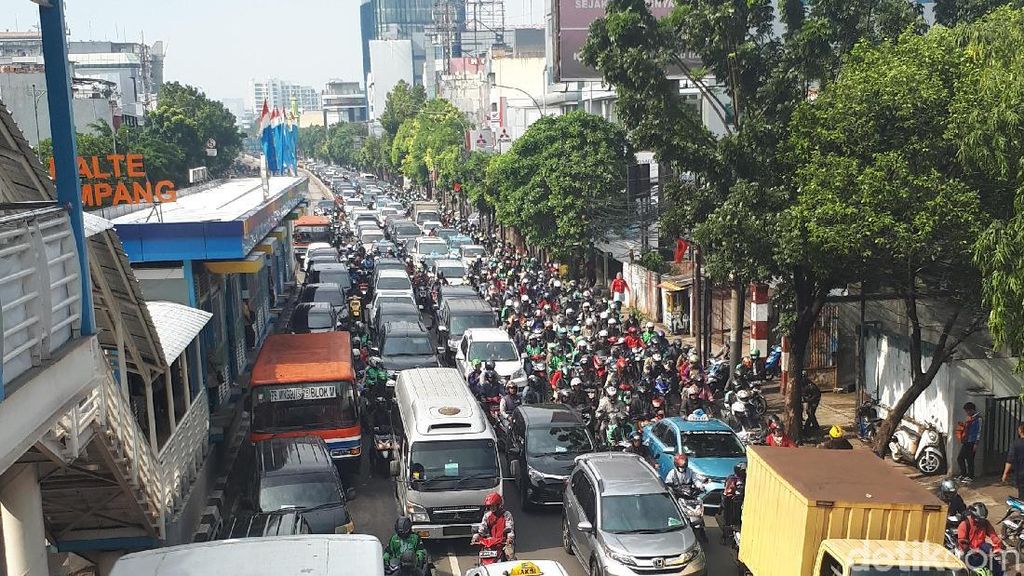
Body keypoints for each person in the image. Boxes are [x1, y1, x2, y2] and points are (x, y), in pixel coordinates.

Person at [957, 503, 1003, 575]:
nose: (981, 521)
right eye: (979, 519)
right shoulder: (964, 524)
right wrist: (971, 550)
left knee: (998, 570)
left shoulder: (985, 523)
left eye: (982, 519)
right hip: (969, 553)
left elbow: (993, 535)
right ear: (973, 516)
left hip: (982, 550)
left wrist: (1000, 544)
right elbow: (962, 542)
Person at [473, 493, 515, 561]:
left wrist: (510, 538)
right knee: (482, 558)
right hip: (490, 543)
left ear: (498, 505)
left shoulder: (506, 514)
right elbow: (483, 527)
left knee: (510, 556)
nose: (492, 508)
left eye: (493, 505)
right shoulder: (487, 516)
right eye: (490, 506)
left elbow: (510, 527)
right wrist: (477, 536)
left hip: (503, 542)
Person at [956, 402, 981, 483]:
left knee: (969, 459)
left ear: (972, 410)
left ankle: (970, 476)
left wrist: (976, 443)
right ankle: (964, 474)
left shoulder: (978, 419)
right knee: (961, 458)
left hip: (972, 441)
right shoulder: (970, 418)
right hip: (967, 440)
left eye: (967, 411)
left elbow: (979, 432)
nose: (967, 413)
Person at [1002, 424, 1024, 499]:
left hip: (1021, 473)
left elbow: (1010, 460)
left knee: (1022, 495)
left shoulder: (1015, 444)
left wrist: (1005, 473)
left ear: (1020, 431)